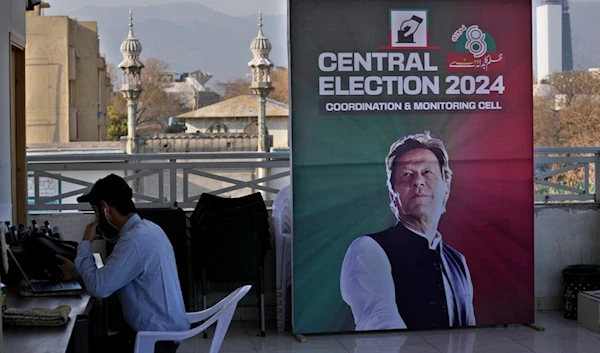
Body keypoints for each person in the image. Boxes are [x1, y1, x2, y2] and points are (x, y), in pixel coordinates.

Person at [340, 131, 476, 331]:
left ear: (446, 188)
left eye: (428, 172)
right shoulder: (368, 250)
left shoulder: (457, 261)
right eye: (407, 175)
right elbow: (381, 327)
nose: (418, 182)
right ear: (393, 196)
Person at [55, 174, 189, 353]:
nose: (95, 220)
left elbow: (99, 288)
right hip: (161, 334)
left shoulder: (134, 241)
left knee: (76, 347)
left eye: (95, 212)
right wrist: (77, 272)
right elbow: (113, 275)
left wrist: (86, 242)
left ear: (104, 209)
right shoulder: (148, 229)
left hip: (153, 342)